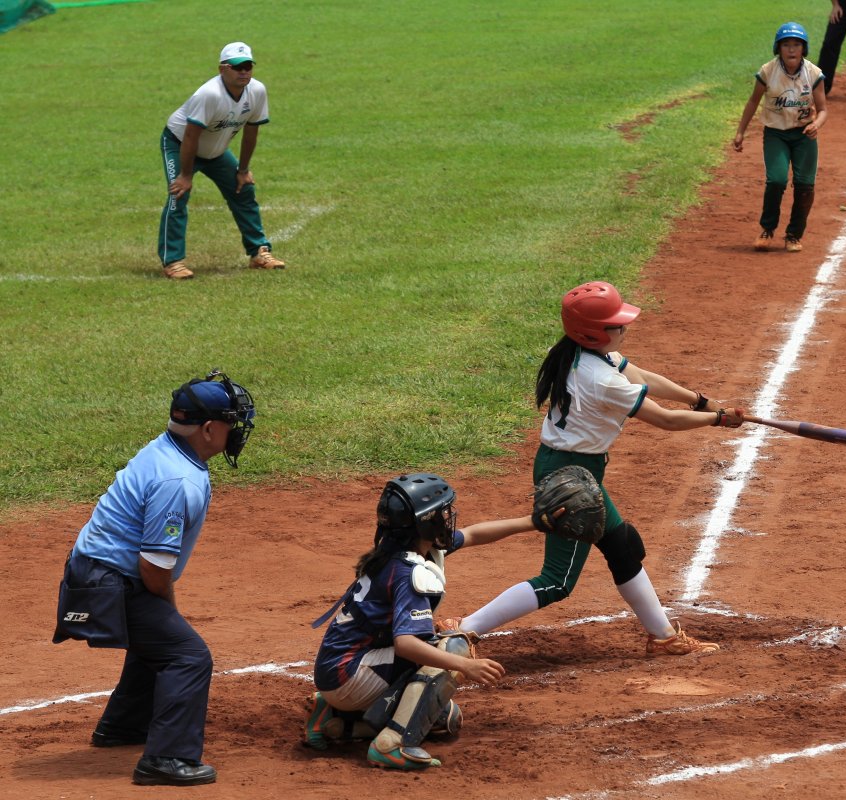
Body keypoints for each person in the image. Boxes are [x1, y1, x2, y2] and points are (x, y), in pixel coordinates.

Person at [437, 281, 744, 657]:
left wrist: (699, 400)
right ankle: (464, 629)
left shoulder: (580, 353)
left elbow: (644, 378)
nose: (624, 328)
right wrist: (716, 420)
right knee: (557, 580)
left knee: (621, 547)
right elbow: (665, 422)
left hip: (573, 468)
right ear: (594, 332)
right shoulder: (601, 380)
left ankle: (663, 636)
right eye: (616, 324)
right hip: (569, 477)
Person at [51, 370, 256, 787]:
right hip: (105, 582)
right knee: (187, 655)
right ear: (209, 429)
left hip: (94, 571)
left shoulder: (168, 450)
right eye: (231, 424)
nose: (234, 432)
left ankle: (123, 727)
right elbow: (153, 569)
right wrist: (168, 607)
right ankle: (166, 759)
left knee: (161, 640)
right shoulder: (176, 479)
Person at [304, 474, 535, 770]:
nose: (448, 517)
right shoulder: (408, 573)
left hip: (340, 668)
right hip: (349, 674)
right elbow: (406, 644)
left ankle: (337, 719)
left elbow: (475, 534)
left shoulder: (399, 547)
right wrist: (466, 665)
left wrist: (534, 523)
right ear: (425, 522)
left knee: (445, 718)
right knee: (453, 647)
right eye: (442, 513)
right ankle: (391, 745)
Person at [158, 41, 286, 280]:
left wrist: (243, 169)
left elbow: (251, 131)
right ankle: (173, 261)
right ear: (222, 69)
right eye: (237, 67)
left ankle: (259, 253)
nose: (244, 71)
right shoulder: (209, 94)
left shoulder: (257, 91)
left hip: (215, 151)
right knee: (178, 194)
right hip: (180, 144)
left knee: (243, 188)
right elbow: (190, 136)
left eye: (248, 66)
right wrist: (185, 176)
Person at [734, 22, 828, 253]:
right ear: (778, 48)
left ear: (803, 48)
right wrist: (740, 132)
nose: (791, 49)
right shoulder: (768, 71)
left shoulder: (814, 74)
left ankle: (794, 235)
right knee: (776, 180)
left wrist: (816, 124)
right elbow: (753, 101)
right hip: (776, 133)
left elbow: (823, 109)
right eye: (786, 44)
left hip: (804, 135)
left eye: (796, 44)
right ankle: (767, 229)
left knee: (805, 186)